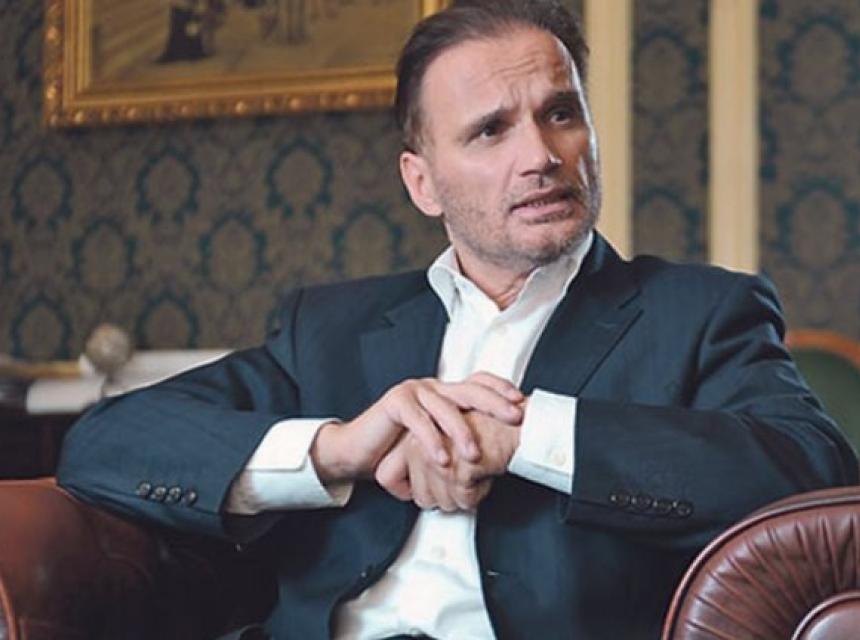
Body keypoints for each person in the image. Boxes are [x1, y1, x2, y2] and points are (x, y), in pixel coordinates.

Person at [58, 1, 858, 638]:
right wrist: (339, 448)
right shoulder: (331, 327)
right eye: (489, 130)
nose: (540, 155)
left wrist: (522, 437)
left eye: (560, 114)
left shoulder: (698, 312)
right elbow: (104, 444)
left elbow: (813, 474)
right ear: (423, 183)